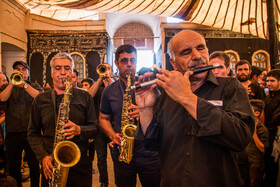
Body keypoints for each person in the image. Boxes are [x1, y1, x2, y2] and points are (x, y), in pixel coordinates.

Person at [135, 30, 254, 186]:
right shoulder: (165, 96)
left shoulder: (230, 87)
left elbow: (241, 137)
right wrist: (146, 109)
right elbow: (152, 143)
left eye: (201, 48)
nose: (197, 56)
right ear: (174, 63)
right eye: (186, 52)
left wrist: (188, 98)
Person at [27, 52, 99, 187]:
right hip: (51, 165)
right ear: (52, 72)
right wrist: (43, 157)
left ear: (72, 72)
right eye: (58, 68)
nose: (63, 72)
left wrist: (79, 130)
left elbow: (95, 128)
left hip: (80, 164)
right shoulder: (40, 99)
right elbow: (32, 134)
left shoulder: (85, 97)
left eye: (67, 68)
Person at [99, 45, 160, 187]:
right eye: (124, 61)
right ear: (116, 63)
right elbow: (103, 119)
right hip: (123, 150)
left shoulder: (148, 86)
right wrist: (112, 135)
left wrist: (145, 112)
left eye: (133, 60)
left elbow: (164, 116)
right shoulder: (109, 91)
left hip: (149, 151)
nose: (129, 64)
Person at [0, 61, 40, 187]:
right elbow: (2, 98)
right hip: (13, 132)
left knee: (34, 165)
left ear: (27, 73)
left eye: (24, 69)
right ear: (13, 71)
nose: (21, 71)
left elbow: (38, 96)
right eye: (18, 69)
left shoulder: (33, 86)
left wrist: (24, 85)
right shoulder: (6, 87)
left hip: (31, 132)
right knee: (14, 166)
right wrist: (12, 83)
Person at [245, 99, 269, 187]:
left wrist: (254, 133)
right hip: (244, 161)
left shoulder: (262, 129)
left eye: (249, 108)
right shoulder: (244, 125)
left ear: (257, 113)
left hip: (254, 163)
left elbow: (263, 148)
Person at [263, 69, 280, 187]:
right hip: (268, 133)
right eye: (267, 81)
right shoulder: (269, 96)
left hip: (276, 135)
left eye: (272, 81)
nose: (269, 83)